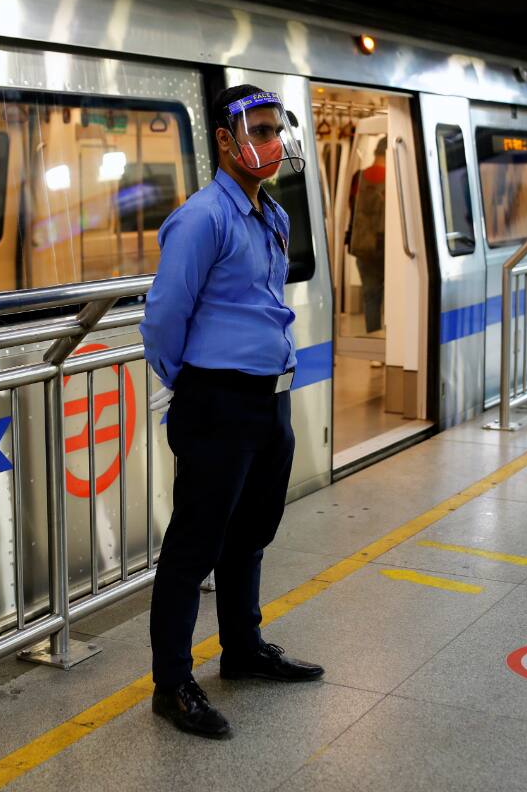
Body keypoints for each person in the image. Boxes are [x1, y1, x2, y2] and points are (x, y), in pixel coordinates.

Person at [139, 84, 324, 740]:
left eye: (278, 129)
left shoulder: (270, 213)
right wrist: (186, 383)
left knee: (252, 533)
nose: (273, 143)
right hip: (217, 400)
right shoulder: (202, 218)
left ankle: (242, 651)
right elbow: (163, 316)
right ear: (224, 139)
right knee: (194, 546)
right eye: (261, 130)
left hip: (269, 400)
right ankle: (172, 684)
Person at [348, 137, 387, 335]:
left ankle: (374, 343)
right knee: (393, 297)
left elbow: (351, 208)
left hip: (363, 246)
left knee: (370, 296)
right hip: (387, 247)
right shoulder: (393, 178)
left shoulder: (358, 177)